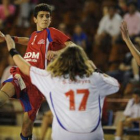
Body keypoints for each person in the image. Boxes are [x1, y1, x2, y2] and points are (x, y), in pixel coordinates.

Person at [5, 34, 119, 140]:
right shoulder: (96, 79)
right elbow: (115, 84)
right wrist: (95, 70)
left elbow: (26, 68)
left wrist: (12, 49)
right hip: (92, 136)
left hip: (64, 135)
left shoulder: (53, 79)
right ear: (83, 61)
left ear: (62, 61)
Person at [0, 3, 72, 140]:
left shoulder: (51, 32)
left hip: (37, 83)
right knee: (3, 95)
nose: (45, 19)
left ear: (50, 19)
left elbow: (72, 47)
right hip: (21, 75)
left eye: (47, 16)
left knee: (26, 127)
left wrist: (56, 52)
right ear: (35, 19)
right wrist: (7, 38)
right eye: (41, 16)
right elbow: (28, 41)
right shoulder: (34, 35)